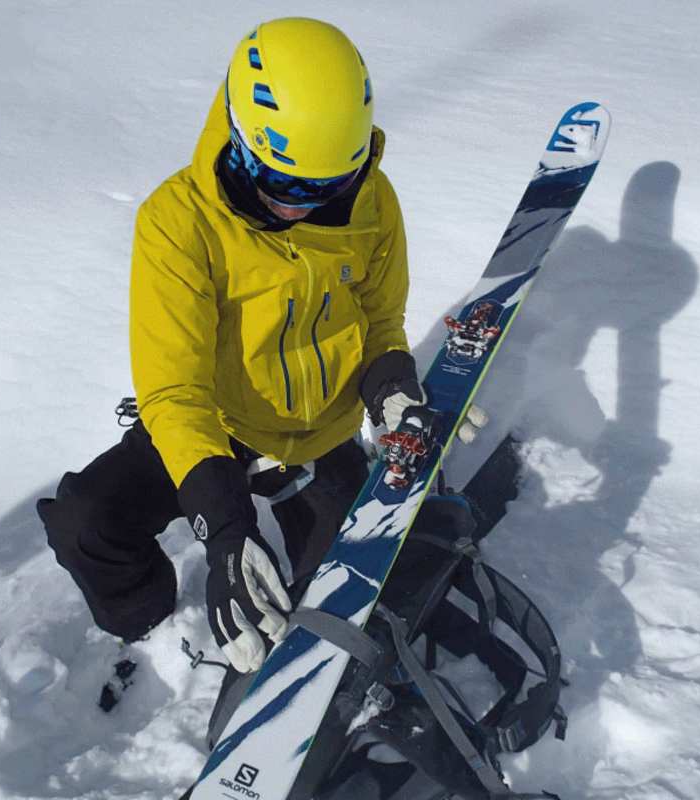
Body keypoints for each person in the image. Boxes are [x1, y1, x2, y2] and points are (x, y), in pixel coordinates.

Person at [36, 18, 430, 674]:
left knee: (339, 610)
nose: (306, 207)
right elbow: (176, 389)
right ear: (242, 141)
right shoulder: (178, 224)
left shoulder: (369, 201)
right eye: (290, 185)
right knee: (85, 522)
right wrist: (223, 527)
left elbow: (381, 319)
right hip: (219, 430)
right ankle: (150, 631)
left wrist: (390, 386)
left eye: (328, 186)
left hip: (319, 434)